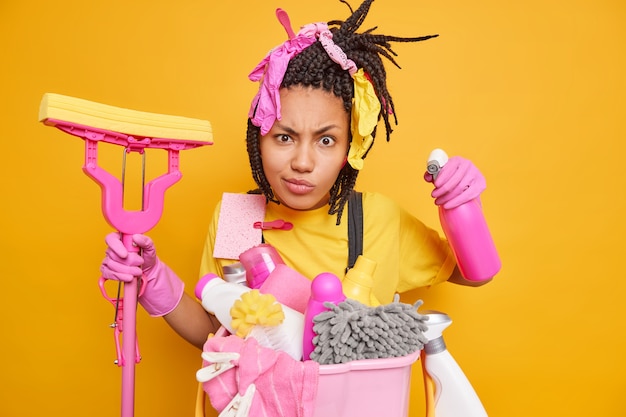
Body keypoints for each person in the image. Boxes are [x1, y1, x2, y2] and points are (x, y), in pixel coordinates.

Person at [101, 0, 494, 351]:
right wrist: (153, 281)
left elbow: (475, 276)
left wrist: (461, 207)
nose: (302, 162)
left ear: (350, 149)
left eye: (325, 141)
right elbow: (215, 333)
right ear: (259, 139)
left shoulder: (379, 221)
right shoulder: (239, 218)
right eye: (284, 137)